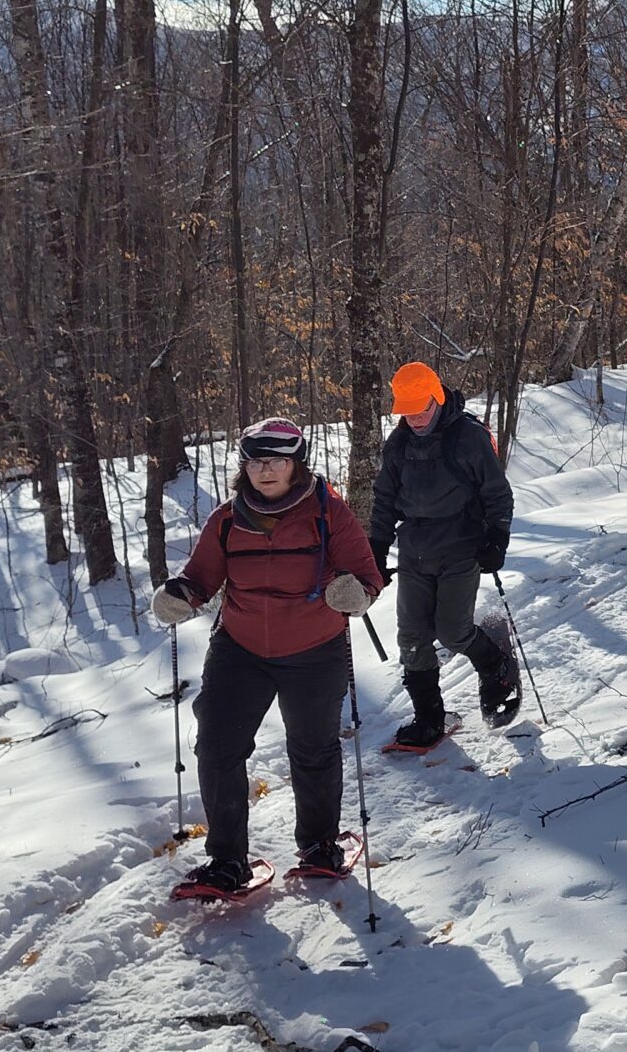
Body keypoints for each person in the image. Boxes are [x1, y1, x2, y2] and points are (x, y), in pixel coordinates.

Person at [153, 418, 381, 895]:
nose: (265, 470)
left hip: (315, 650)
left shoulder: (329, 514)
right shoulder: (228, 519)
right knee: (216, 747)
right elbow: (201, 578)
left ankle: (320, 846)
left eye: (276, 460)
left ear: (296, 464)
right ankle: (226, 863)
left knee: (313, 747)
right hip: (241, 650)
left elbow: (367, 577)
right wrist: (180, 596)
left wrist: (352, 593)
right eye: (256, 461)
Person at [370, 361, 520, 745]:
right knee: (413, 639)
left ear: (437, 398)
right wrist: (374, 550)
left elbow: (497, 494)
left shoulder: (467, 438)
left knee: (453, 631)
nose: (415, 419)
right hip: (414, 551)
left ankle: (496, 667)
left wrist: (497, 537)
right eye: (407, 412)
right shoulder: (398, 444)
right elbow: (384, 502)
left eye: (421, 409)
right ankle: (429, 720)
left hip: (461, 546)